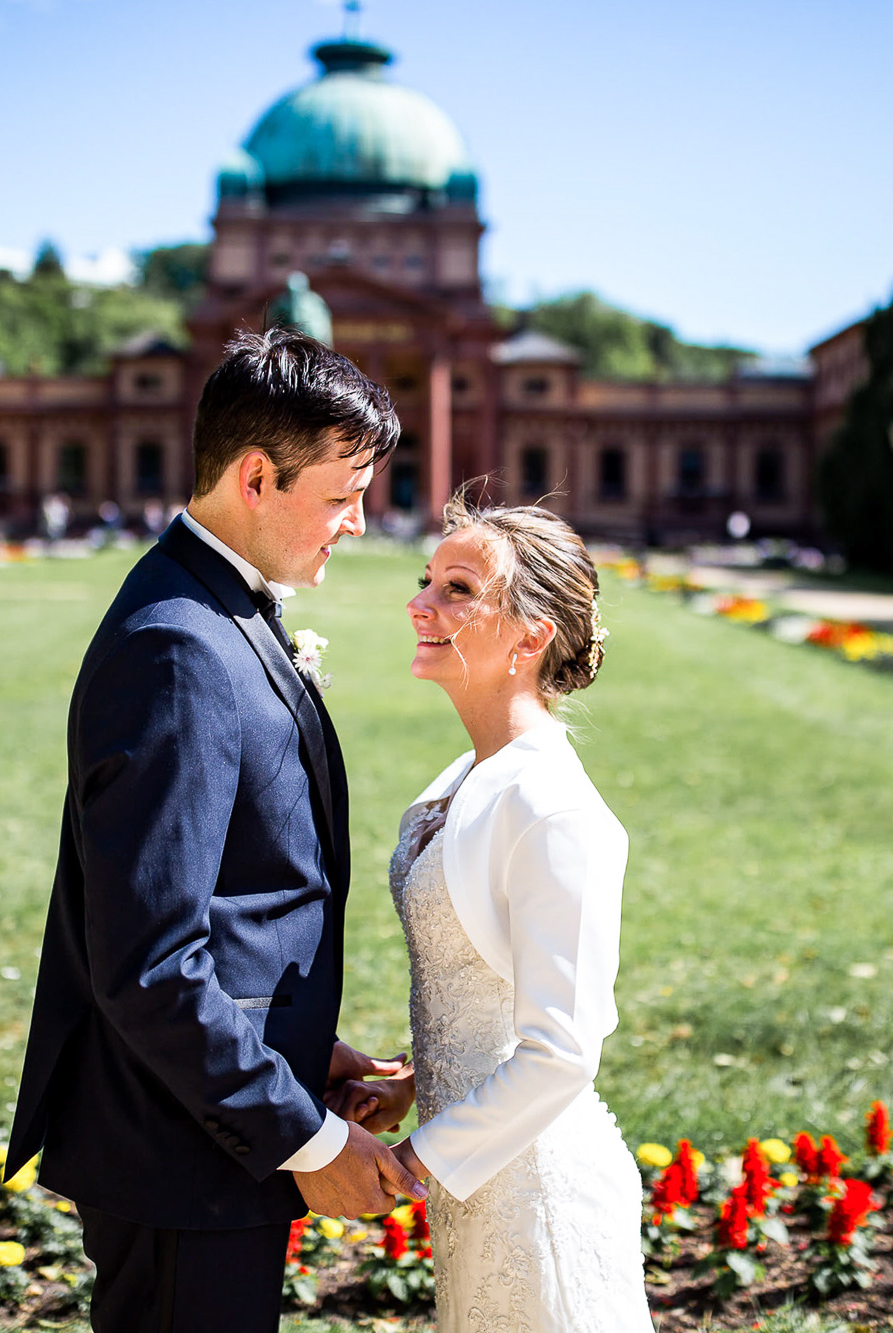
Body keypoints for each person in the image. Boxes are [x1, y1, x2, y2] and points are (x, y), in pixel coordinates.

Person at [5, 328, 420, 1333]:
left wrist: (303, 1047)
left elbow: (232, 896)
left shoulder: (215, 604)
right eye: (343, 494)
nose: (359, 523)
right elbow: (151, 963)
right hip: (177, 1156)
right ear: (255, 478)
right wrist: (305, 1138)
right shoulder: (176, 646)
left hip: (202, 1129)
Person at [332, 494, 653, 1333]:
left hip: (537, 1192)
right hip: (478, 1180)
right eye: (427, 579)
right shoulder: (468, 775)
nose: (420, 604)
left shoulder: (554, 808)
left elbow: (563, 1050)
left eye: (459, 590)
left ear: (531, 636)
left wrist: (409, 1161)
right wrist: (413, 1083)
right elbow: (484, 976)